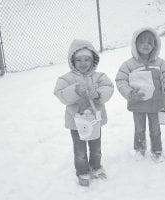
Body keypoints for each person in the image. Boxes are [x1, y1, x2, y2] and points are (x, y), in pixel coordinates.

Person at [54, 39, 114, 186]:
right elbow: (60, 93)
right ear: (72, 61)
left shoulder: (99, 76)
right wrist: (74, 90)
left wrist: (98, 94)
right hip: (77, 122)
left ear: (93, 60)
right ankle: (82, 171)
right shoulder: (66, 79)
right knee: (80, 150)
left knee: (96, 147)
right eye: (79, 59)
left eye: (87, 59)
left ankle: (96, 166)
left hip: (94, 120)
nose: (83, 63)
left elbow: (109, 87)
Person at [115, 27, 165, 162]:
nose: (146, 45)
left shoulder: (160, 63)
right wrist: (129, 92)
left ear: (155, 45)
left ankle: (157, 151)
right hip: (138, 104)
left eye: (149, 42)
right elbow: (121, 80)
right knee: (139, 129)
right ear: (135, 45)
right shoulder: (129, 65)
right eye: (142, 42)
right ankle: (139, 149)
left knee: (155, 129)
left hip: (156, 103)